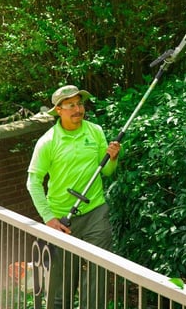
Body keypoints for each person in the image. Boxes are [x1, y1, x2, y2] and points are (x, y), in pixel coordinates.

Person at [26, 85, 120, 308]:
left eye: (79, 104)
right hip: (62, 220)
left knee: (98, 271)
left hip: (95, 211)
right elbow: (33, 182)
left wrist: (113, 158)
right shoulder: (48, 142)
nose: (78, 109)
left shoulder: (95, 131)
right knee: (62, 283)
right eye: (71, 105)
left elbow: (106, 172)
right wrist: (49, 219)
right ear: (58, 110)